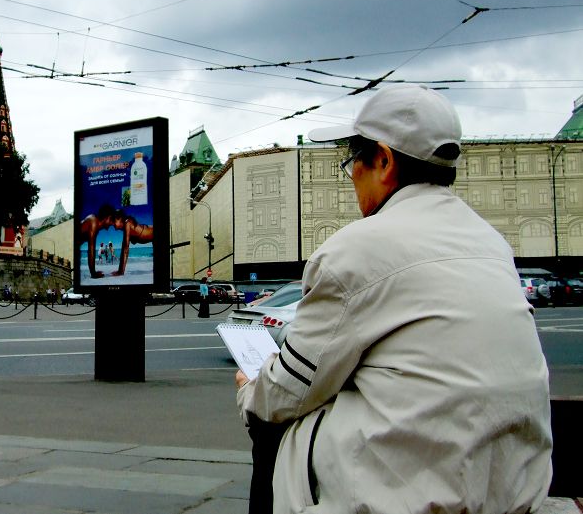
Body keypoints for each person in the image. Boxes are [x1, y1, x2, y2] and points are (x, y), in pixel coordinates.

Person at [235, 85, 552, 514]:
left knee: (270, 425)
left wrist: (249, 391)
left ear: (383, 160)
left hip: (411, 498)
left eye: (352, 162)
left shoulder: (359, 248)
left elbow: (286, 392)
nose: (350, 177)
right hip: (510, 490)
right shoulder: (492, 243)